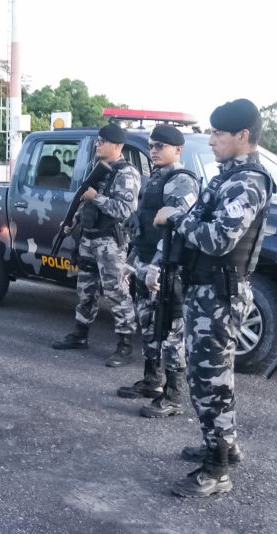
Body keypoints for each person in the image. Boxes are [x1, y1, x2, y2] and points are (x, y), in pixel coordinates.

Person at [155, 99, 273, 498]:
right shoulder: (228, 177)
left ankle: (217, 469)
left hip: (220, 297)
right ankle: (224, 447)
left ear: (243, 136)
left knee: (210, 382)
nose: (211, 140)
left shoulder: (247, 182)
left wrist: (175, 217)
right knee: (213, 377)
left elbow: (218, 239)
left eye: (219, 134)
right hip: (206, 292)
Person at [116, 124, 199, 419]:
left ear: (177, 150)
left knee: (170, 332)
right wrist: (131, 261)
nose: (153, 151)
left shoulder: (182, 182)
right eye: (151, 146)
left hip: (167, 269)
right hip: (145, 263)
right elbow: (142, 226)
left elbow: (177, 231)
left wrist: (156, 266)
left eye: (159, 146)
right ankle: (152, 381)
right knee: (149, 327)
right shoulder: (154, 180)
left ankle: (174, 395)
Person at [51, 123, 140, 366]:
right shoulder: (98, 168)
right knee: (85, 288)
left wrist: (96, 197)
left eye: (102, 141)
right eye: (97, 141)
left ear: (117, 146)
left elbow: (124, 210)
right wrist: (73, 222)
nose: (97, 144)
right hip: (89, 238)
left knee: (116, 292)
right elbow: (84, 202)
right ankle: (80, 334)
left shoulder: (126, 173)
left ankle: (124, 345)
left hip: (110, 242)